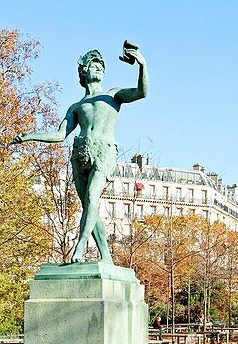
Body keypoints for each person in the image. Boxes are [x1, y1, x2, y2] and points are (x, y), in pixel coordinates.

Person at [11, 43, 147, 264]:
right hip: (80, 153)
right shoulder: (76, 106)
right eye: (94, 65)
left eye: (102, 66)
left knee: (93, 197)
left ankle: (80, 248)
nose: (100, 69)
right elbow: (59, 134)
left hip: (104, 150)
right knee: (88, 207)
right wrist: (29, 136)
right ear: (84, 71)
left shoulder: (112, 96)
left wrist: (142, 64)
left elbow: (141, 92)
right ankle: (106, 258)